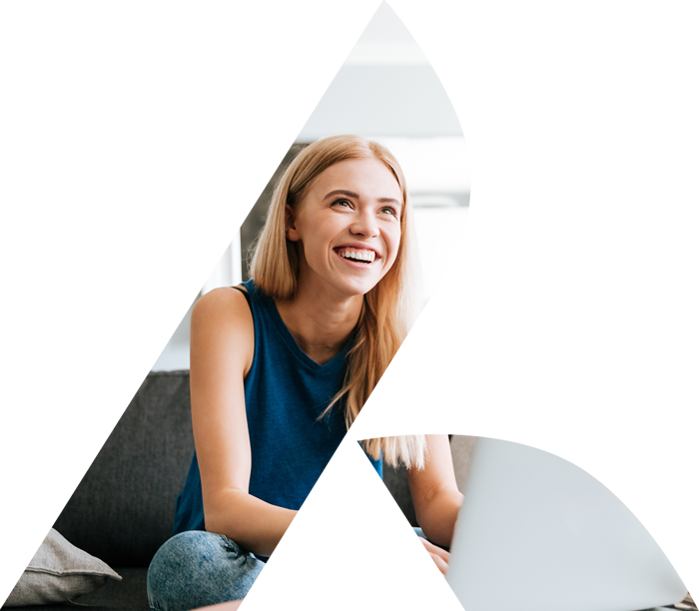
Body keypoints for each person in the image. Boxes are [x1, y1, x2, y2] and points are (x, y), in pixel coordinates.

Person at [146, 135, 463, 611]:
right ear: (292, 220)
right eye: (343, 203)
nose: (367, 227)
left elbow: (438, 501)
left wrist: (514, 533)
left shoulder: (399, 341)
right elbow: (225, 506)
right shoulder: (230, 314)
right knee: (188, 566)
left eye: (387, 211)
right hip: (242, 558)